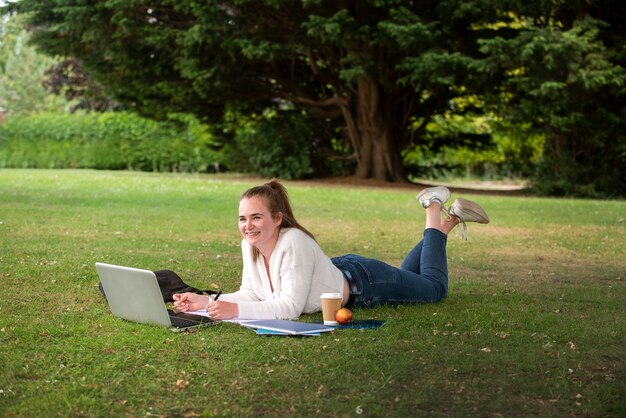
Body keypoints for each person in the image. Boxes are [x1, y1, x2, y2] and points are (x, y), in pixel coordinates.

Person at [172, 181, 489, 320]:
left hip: (364, 284)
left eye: (256, 217)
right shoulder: (250, 244)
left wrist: (234, 311)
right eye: (242, 219)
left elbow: (289, 307)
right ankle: (448, 223)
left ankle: (433, 206)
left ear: (277, 219)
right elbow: (252, 293)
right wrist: (206, 302)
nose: (248, 226)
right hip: (342, 273)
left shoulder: (292, 241)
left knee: (433, 289)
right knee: (409, 278)